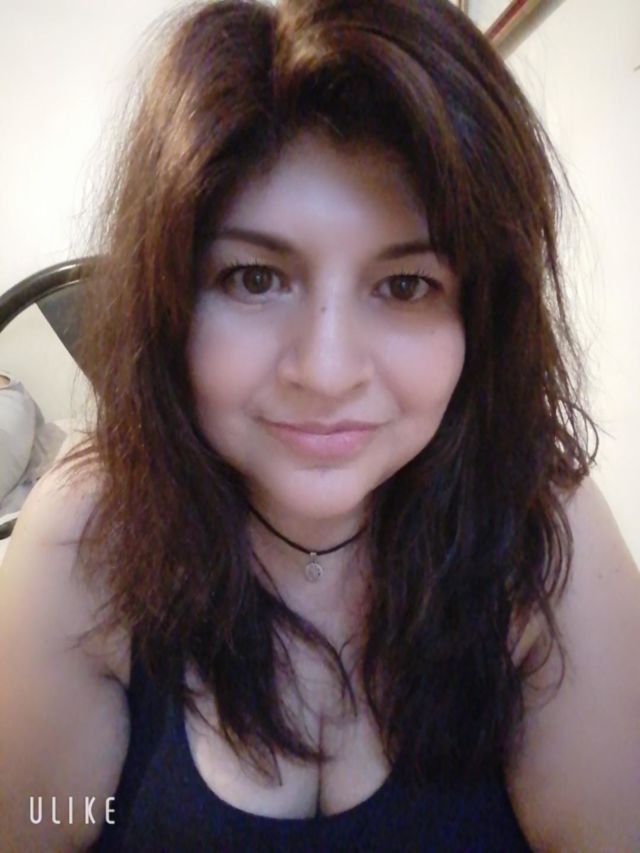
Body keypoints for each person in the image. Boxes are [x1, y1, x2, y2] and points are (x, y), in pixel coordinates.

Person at [1, 0, 639, 849]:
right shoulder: (86, 536)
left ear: (483, 316)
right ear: (169, 301)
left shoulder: (544, 531)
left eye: (405, 285)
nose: (327, 371)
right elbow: (41, 825)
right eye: (254, 278)